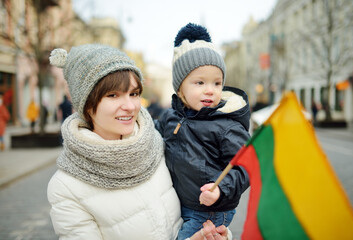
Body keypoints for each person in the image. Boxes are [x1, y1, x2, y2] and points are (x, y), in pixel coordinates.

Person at [47, 44, 230, 240]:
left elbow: (199, 212)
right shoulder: (66, 187)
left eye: (133, 94)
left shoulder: (160, 143)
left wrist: (217, 235)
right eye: (113, 95)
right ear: (87, 105)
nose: (130, 106)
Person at [155, 23, 251, 240]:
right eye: (200, 82)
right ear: (180, 88)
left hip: (210, 211)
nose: (210, 90)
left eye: (217, 83)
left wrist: (221, 190)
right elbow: (152, 134)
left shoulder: (226, 125)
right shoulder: (171, 117)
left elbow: (247, 165)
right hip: (181, 203)